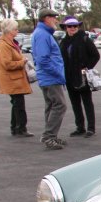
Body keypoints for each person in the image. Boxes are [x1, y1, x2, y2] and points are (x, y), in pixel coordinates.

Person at [31, 8, 67, 150]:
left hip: (47, 76)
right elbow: (43, 59)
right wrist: (58, 73)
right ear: (46, 18)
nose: (56, 20)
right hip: (50, 77)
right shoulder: (42, 35)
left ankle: (52, 135)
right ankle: (49, 136)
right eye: (53, 17)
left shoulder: (42, 33)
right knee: (60, 105)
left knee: (51, 105)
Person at [60, 16, 101, 137]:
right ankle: (80, 126)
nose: (72, 28)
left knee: (87, 102)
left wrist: (87, 67)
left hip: (83, 76)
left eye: (75, 26)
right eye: (70, 26)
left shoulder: (84, 39)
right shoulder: (63, 42)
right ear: (65, 28)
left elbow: (95, 55)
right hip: (69, 76)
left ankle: (91, 128)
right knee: (75, 102)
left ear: (78, 27)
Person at [0, 18, 33, 137]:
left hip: (16, 79)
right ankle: (20, 128)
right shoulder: (3, 45)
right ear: (9, 31)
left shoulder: (11, 43)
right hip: (12, 79)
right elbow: (7, 64)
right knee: (18, 104)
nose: (17, 31)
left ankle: (16, 127)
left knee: (16, 103)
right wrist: (22, 62)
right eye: (15, 29)